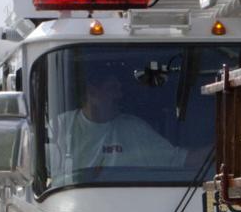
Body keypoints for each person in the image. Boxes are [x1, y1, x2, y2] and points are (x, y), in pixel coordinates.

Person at [55, 73, 186, 173]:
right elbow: (38, 171)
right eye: (112, 89)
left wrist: (207, 154)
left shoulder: (135, 128)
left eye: (120, 89)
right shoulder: (60, 127)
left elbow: (177, 159)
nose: (120, 96)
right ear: (92, 92)